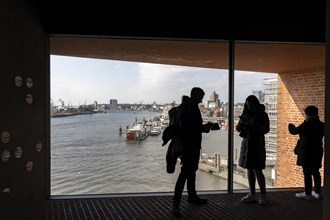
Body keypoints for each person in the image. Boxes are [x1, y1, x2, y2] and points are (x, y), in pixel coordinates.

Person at [172, 87, 215, 217]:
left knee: (191, 171)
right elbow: (187, 128)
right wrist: (203, 128)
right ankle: (176, 204)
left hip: (193, 145)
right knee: (185, 173)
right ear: (194, 95)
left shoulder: (190, 106)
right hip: (188, 146)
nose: (202, 99)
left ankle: (192, 196)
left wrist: (202, 128)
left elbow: (191, 127)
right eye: (200, 97)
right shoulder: (188, 108)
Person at [236, 95, 270, 205]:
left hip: (257, 144)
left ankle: (263, 195)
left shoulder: (263, 115)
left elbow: (266, 129)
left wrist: (253, 123)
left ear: (256, 103)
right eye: (247, 105)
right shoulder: (246, 115)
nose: (249, 106)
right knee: (249, 169)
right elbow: (238, 128)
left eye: (251, 104)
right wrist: (242, 122)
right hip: (246, 144)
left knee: (257, 170)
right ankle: (252, 194)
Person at [288, 105, 324, 200]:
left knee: (307, 172)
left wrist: (290, 125)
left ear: (307, 114)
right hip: (317, 151)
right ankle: (317, 192)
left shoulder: (306, 124)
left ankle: (308, 193)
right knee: (316, 172)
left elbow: (294, 131)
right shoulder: (322, 125)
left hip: (306, 152)